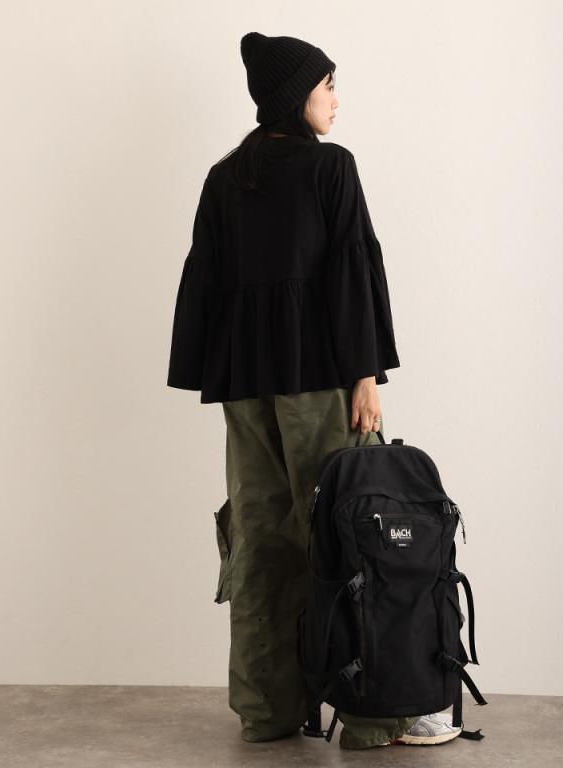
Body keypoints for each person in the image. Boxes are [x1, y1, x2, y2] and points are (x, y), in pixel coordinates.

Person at [166, 31, 463, 750]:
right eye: (327, 84)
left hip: (245, 389)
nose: (335, 98)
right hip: (317, 384)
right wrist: (364, 372)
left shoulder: (226, 177)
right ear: (296, 94)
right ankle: (376, 716)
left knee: (262, 543)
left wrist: (217, 374)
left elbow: (204, 280)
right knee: (353, 534)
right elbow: (351, 271)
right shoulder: (331, 167)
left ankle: (267, 711)